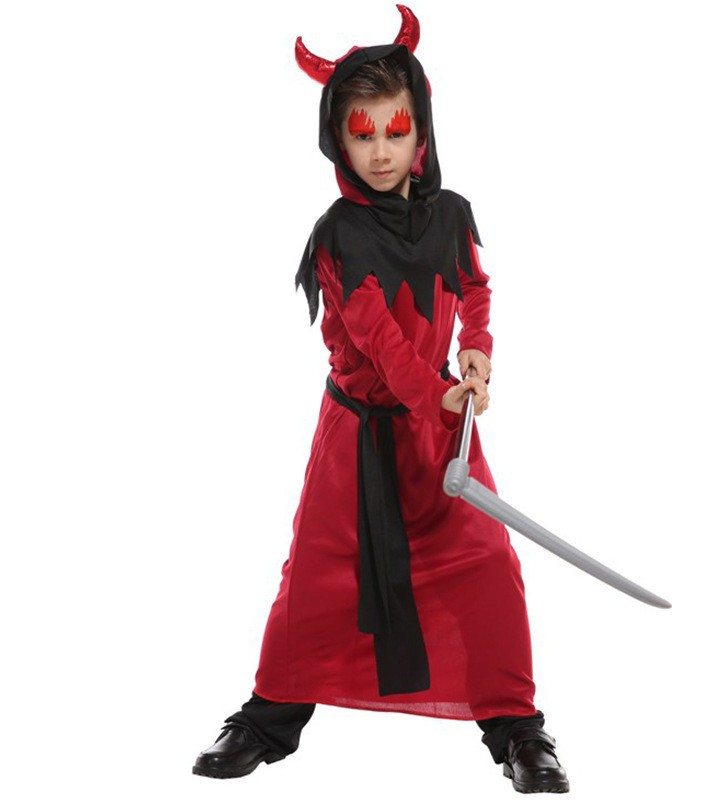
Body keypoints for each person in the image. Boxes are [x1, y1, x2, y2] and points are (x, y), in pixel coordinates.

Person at [193, 5, 569, 794]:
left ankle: (516, 727)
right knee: (319, 575)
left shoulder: (451, 213)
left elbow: (474, 287)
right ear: (338, 139)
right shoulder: (339, 236)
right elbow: (380, 343)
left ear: (420, 130)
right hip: (359, 437)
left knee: (486, 561)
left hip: (441, 436)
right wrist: (438, 396)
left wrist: (476, 351)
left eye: (396, 131)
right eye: (362, 135)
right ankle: (268, 717)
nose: (381, 150)